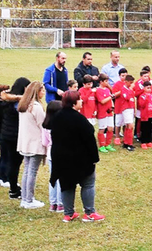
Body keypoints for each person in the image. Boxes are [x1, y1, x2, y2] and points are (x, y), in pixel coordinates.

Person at [49, 91, 104, 222]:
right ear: (74, 103)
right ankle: (89, 213)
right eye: (79, 100)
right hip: (81, 160)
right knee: (88, 184)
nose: (82, 101)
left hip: (62, 159)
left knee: (67, 185)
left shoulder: (57, 117)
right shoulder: (80, 120)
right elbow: (90, 139)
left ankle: (68, 214)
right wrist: (94, 158)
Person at [16, 81, 47, 209]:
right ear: (37, 91)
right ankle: (28, 199)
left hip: (25, 143)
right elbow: (43, 125)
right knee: (31, 171)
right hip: (35, 143)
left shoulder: (23, 105)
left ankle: (25, 198)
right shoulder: (36, 107)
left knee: (27, 171)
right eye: (42, 90)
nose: (44, 93)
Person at [0, 77, 31, 199]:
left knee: (11, 162)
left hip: (6, 134)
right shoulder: (18, 104)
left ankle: (13, 185)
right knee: (15, 163)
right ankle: (13, 189)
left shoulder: (7, 101)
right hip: (15, 136)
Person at [42, 101, 63, 213]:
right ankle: (60, 203)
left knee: (53, 179)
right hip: (61, 153)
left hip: (51, 153)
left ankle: (53, 203)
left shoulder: (45, 125)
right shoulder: (61, 125)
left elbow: (44, 142)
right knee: (61, 179)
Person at [95, 73, 115, 153]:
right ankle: (102, 145)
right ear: (101, 82)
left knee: (110, 128)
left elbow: (109, 99)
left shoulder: (107, 90)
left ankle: (108, 144)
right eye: (106, 81)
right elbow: (102, 101)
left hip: (109, 112)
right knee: (102, 129)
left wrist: (112, 106)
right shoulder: (98, 91)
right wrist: (111, 97)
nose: (107, 83)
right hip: (102, 112)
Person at [137, 82, 152, 149]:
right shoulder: (142, 96)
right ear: (144, 88)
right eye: (147, 88)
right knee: (144, 129)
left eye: (150, 88)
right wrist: (146, 99)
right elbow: (141, 105)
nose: (149, 89)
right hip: (145, 115)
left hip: (151, 114)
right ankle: (143, 142)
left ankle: (149, 141)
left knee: (150, 128)